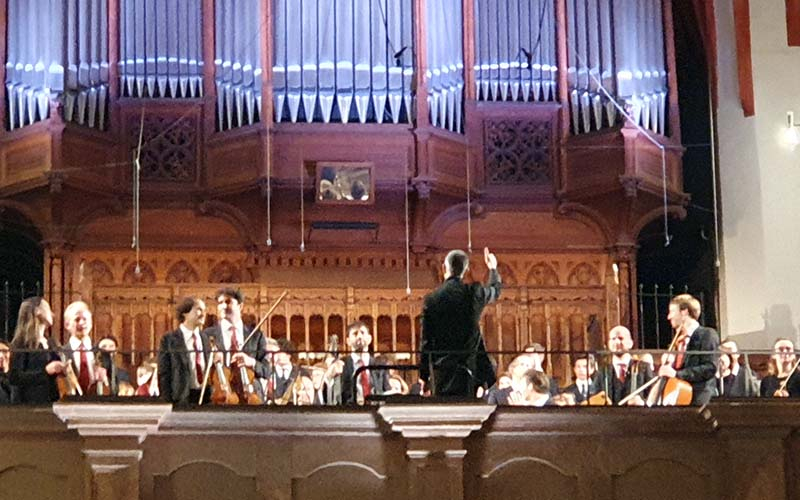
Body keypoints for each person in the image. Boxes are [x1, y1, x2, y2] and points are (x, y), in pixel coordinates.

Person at [420, 247, 501, 397]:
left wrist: (424, 376)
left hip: (441, 371)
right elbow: (495, 291)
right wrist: (493, 269)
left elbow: (426, 341)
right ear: (466, 270)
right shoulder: (473, 293)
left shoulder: (431, 300)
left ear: (444, 268)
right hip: (469, 367)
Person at [203, 288, 271, 401]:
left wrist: (251, 362)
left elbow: (267, 370)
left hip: (251, 396)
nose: (223, 306)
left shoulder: (256, 335)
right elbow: (199, 371)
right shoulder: (207, 335)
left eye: (228, 302)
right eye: (220, 303)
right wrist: (211, 360)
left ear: (240, 306)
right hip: (220, 398)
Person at [656, 294, 719, 405]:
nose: (668, 317)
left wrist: (677, 374)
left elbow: (710, 367)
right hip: (678, 397)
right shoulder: (678, 341)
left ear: (684, 312)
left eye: (672, 312)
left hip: (699, 399)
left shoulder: (707, 334)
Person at [158, 297, 212, 405]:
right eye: (199, 309)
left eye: (204, 310)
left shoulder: (206, 338)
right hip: (181, 399)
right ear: (185, 313)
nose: (203, 314)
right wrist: (167, 401)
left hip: (205, 398)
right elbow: (164, 373)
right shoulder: (169, 339)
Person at [9, 297, 63, 404]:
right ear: (38, 311)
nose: (52, 314)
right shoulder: (21, 343)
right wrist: (45, 372)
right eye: (48, 309)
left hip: (54, 402)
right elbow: (15, 377)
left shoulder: (51, 343)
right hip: (32, 405)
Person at [595, 326, 652, 405]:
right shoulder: (602, 371)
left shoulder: (643, 368)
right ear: (608, 344)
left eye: (621, 338)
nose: (617, 342)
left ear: (631, 343)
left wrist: (642, 402)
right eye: (613, 339)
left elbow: (653, 397)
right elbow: (594, 398)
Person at [340, 321, 391, 404]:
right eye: (355, 334)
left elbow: (386, 388)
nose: (359, 336)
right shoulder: (342, 364)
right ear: (348, 341)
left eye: (363, 333)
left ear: (370, 339)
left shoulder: (380, 365)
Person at [62, 301, 106, 395]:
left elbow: (114, 383)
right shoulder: (61, 353)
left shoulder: (101, 353)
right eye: (77, 319)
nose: (82, 323)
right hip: (70, 404)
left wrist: (105, 380)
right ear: (67, 324)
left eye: (85, 319)